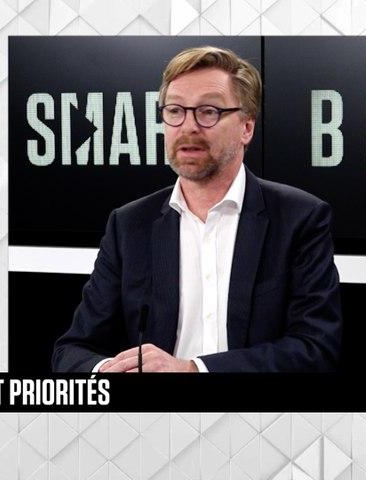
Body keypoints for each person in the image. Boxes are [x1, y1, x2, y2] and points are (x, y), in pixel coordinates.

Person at [52, 46, 342, 373]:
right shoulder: (129, 224)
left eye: (208, 111)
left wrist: (193, 370)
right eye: (175, 110)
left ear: (246, 127)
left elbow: (315, 349)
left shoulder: (300, 218)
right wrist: (111, 370)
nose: (188, 126)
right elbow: (73, 350)